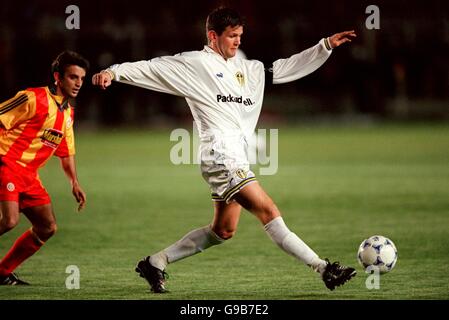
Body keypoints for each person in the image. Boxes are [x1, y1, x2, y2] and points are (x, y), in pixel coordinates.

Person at [92, 7, 357, 293]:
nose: (238, 41)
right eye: (232, 36)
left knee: (223, 231)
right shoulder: (194, 64)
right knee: (268, 210)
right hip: (220, 156)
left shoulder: (249, 69)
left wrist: (324, 46)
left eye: (240, 35)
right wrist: (113, 72)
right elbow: (152, 67)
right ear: (212, 36)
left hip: (235, 156)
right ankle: (323, 268)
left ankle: (156, 262)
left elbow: (286, 67)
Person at [0, 50, 88, 285]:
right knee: (9, 221)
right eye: (73, 77)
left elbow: (66, 152)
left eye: (81, 78)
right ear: (58, 77)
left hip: (29, 175)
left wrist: (74, 182)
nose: (78, 83)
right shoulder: (32, 98)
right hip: (6, 164)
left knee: (46, 227)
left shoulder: (68, 113)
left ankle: (2, 272)